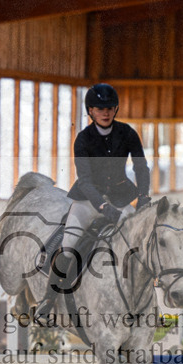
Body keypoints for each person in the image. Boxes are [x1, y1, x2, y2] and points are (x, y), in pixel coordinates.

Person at [34, 83, 151, 324]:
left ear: (115, 109)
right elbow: (85, 181)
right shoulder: (83, 139)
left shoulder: (127, 133)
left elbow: (141, 167)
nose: (105, 113)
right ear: (91, 111)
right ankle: (48, 300)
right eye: (100, 109)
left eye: (109, 108)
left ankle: (144, 300)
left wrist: (143, 197)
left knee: (138, 243)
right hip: (88, 201)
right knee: (68, 246)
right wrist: (102, 207)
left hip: (119, 199)